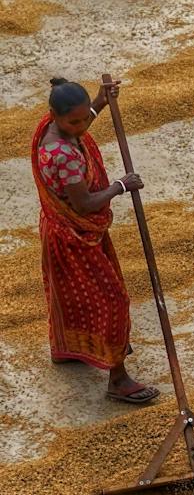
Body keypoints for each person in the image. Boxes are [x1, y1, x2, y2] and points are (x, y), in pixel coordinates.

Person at [32, 74, 156, 403]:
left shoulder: (54, 128)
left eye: (86, 116)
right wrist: (121, 185)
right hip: (75, 238)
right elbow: (85, 202)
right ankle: (118, 379)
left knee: (70, 296)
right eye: (74, 121)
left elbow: (81, 122)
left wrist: (100, 101)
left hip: (60, 232)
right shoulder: (63, 155)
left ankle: (67, 350)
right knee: (112, 301)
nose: (83, 126)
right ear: (55, 116)